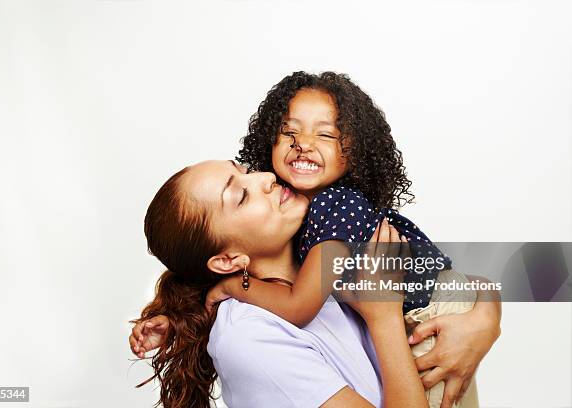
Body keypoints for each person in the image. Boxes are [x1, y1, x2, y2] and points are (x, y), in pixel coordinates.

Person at [203, 72, 497, 407]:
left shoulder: (336, 208)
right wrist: (172, 318)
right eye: (288, 132)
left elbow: (297, 306)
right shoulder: (302, 217)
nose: (304, 144)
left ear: (355, 153)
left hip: (431, 317)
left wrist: (231, 287)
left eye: (326, 134)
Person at [130, 160, 433, 407]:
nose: (265, 178)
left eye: (245, 171)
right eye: (241, 196)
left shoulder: (318, 258)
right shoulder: (249, 338)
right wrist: (384, 316)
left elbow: (451, 288)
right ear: (228, 261)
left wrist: (479, 322)